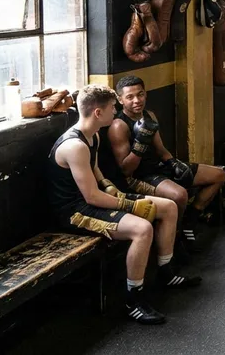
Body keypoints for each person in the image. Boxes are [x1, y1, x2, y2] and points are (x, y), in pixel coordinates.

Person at [48, 85, 199, 325]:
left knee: (169, 207)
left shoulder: (93, 134)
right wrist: (129, 204)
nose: (116, 111)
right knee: (142, 229)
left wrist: (109, 186)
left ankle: (165, 272)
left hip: (95, 199)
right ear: (98, 112)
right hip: (75, 212)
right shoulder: (74, 146)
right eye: (112, 107)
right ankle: (133, 299)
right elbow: (91, 198)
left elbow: (95, 170)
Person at [105, 76, 225, 249]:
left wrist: (173, 163)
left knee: (218, 175)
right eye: (130, 97)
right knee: (179, 195)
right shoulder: (119, 126)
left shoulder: (149, 115)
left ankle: (189, 220)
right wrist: (140, 143)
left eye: (140, 94)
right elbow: (126, 170)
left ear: (145, 94)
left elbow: (161, 149)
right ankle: (176, 240)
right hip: (139, 176)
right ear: (120, 99)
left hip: (159, 168)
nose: (137, 100)